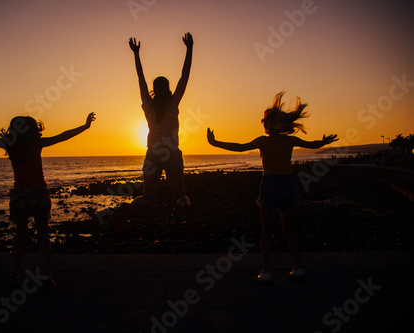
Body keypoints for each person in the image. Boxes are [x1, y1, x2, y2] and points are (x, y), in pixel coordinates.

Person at [0, 109, 96, 288]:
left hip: (20, 195)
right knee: (43, 235)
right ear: (34, 129)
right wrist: (85, 126)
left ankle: (13, 276)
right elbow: (63, 136)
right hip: (39, 193)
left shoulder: (10, 145)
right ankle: (46, 275)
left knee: (21, 237)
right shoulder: (37, 143)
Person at [207, 91, 338, 282]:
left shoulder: (263, 141)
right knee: (289, 230)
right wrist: (324, 142)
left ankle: (266, 272)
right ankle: (298, 267)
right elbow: (312, 144)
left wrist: (215, 143)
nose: (263, 123)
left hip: (271, 186)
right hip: (288, 185)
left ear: (271, 123)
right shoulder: (290, 140)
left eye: (265, 120)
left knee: (266, 233)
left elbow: (239, 147)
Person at [116, 32, 198, 234]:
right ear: (168, 88)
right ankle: (186, 208)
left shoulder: (148, 106)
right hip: (172, 152)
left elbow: (140, 77)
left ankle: (126, 209)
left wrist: (136, 54)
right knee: (179, 194)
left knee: (148, 198)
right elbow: (185, 76)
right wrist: (189, 49)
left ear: (153, 89)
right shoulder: (173, 103)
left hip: (152, 154)